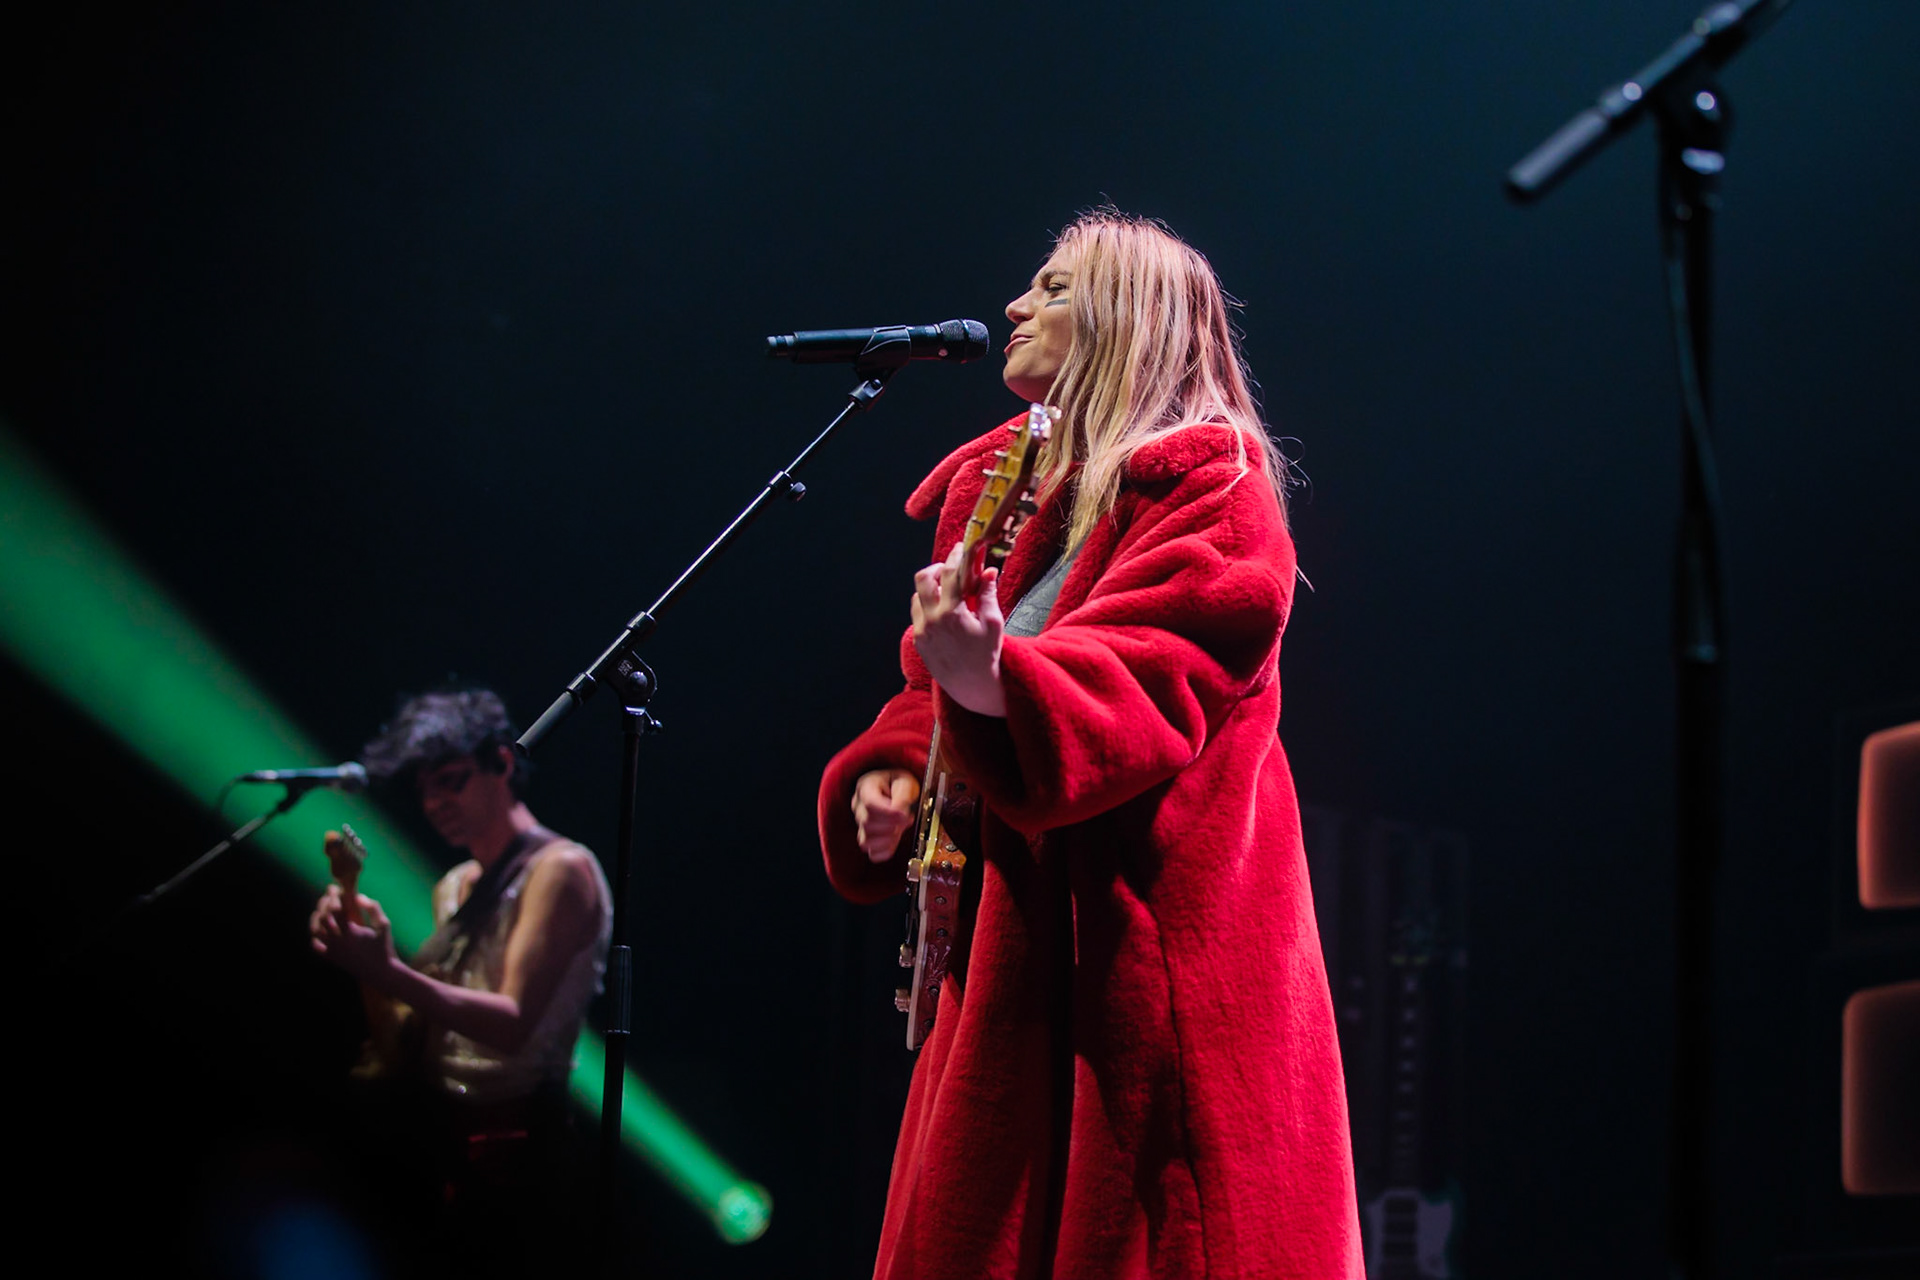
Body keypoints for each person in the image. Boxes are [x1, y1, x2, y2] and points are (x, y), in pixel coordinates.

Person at [817, 210, 1363, 1279]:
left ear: (1129, 316)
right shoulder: (1008, 488)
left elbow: (1147, 678)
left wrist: (990, 678)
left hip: (1145, 964)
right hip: (1014, 953)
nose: (1015, 306)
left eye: (1054, 288)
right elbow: (935, 680)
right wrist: (895, 772)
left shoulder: (1215, 488)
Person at [308, 688, 611, 1271]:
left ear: (502, 762)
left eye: (450, 781)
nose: (434, 802)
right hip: (442, 1138)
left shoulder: (561, 869)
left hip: (520, 1150)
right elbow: (411, 1036)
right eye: (424, 789)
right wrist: (368, 960)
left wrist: (387, 971)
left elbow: (512, 1025)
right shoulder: (452, 886)